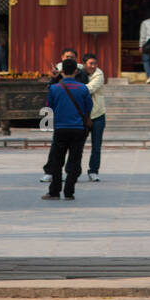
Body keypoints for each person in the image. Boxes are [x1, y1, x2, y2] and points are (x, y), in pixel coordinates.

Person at [42, 58, 92, 200]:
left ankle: (54, 191)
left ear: (62, 71)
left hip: (60, 128)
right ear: (76, 71)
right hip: (78, 128)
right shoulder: (83, 88)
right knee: (75, 159)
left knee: (57, 160)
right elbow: (89, 107)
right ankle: (69, 192)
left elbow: (49, 107)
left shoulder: (54, 88)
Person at [84, 54, 105, 181]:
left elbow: (89, 89)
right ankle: (73, 170)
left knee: (96, 146)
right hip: (83, 115)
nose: (92, 66)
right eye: (90, 63)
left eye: (94, 63)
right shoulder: (79, 71)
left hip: (98, 114)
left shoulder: (99, 75)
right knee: (77, 146)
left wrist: (73, 87)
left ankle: (93, 171)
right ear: (84, 64)